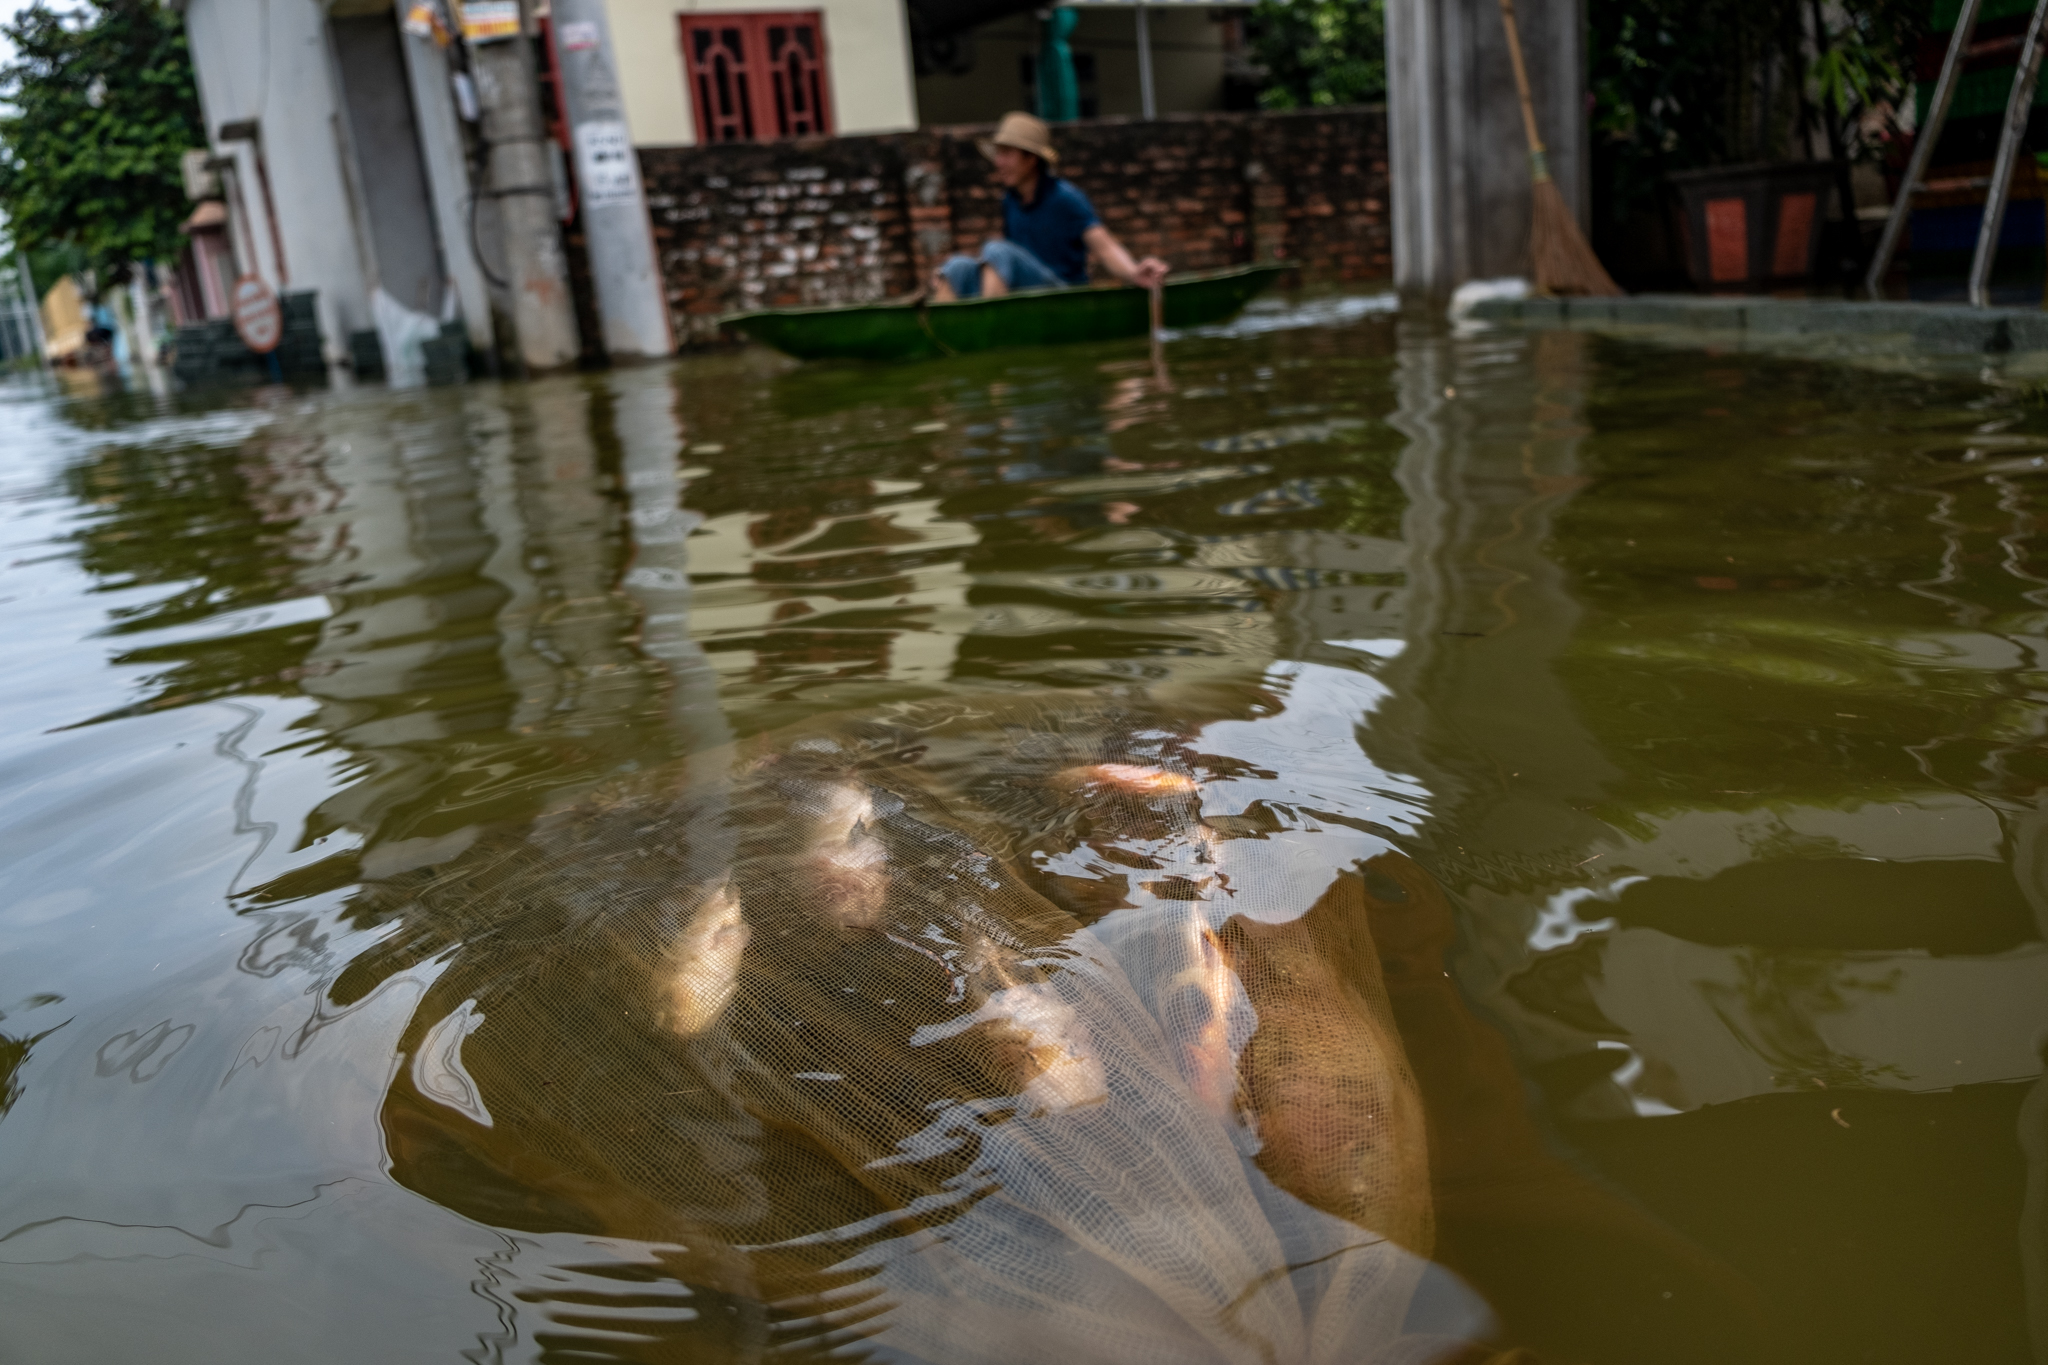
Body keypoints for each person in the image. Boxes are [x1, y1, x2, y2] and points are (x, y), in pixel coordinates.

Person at [930, 112, 1169, 302]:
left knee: (996, 250)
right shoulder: (1010, 200)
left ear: (1031, 159)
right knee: (956, 266)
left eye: (1006, 154)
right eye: (998, 154)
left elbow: (1105, 247)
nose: (998, 162)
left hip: (1063, 292)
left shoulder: (1065, 198)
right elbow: (1009, 263)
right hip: (1026, 289)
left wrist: (1134, 271)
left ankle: (992, 331)